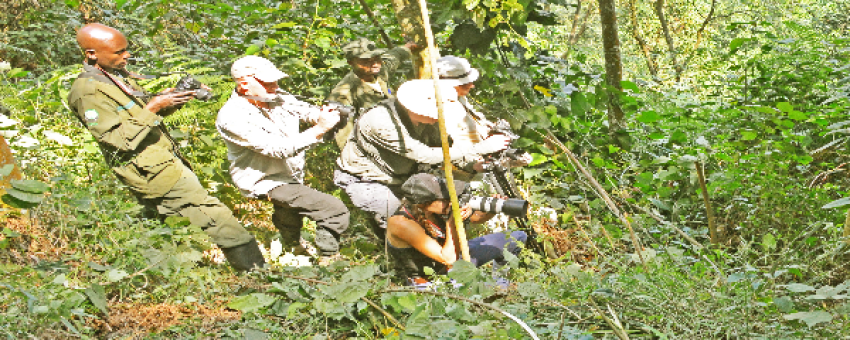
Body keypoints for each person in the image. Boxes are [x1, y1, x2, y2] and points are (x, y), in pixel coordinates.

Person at [66, 23, 263, 271]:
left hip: (160, 163)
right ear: (91, 53)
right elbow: (118, 140)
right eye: (118, 52)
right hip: (151, 173)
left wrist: (174, 99)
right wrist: (155, 106)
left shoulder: (111, 77)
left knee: (165, 225)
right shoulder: (87, 91)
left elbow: (138, 117)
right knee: (215, 215)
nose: (126, 56)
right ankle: (258, 273)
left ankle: (174, 276)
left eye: (126, 50)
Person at [334, 79, 513, 239]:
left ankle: (444, 252)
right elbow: (424, 154)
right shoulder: (380, 121)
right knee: (401, 223)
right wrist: (480, 148)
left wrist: (474, 165)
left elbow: (443, 149)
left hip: (405, 175)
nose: (438, 118)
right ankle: (400, 265)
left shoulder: (428, 121)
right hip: (368, 180)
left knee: (446, 209)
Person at [216, 56, 350, 265]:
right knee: (333, 209)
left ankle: (292, 247)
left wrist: (323, 114)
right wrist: (321, 128)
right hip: (264, 179)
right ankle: (329, 260)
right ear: (244, 85)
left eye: (275, 81)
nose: (275, 86)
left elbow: (302, 110)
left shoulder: (276, 96)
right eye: (267, 82)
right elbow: (278, 149)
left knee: (288, 209)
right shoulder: (232, 116)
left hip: (290, 172)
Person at [387, 173, 527, 286]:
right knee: (487, 290)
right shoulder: (401, 223)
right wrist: (452, 220)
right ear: (425, 204)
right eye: (446, 198)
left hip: (456, 258)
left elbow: (477, 219)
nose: (451, 199)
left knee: (517, 237)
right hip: (431, 280)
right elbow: (448, 259)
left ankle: (500, 279)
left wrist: (492, 208)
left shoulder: (436, 208)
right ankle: (495, 289)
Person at [436, 56, 532, 179]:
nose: (471, 86)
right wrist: (482, 149)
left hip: (480, 169)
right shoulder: (434, 110)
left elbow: (471, 130)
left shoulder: (459, 99)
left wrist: (492, 130)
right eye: (465, 83)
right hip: (457, 179)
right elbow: (439, 155)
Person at [327, 38, 420, 148]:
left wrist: (409, 47)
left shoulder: (380, 72)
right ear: (351, 63)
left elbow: (394, 56)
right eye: (366, 61)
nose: (375, 64)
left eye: (377, 58)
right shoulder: (343, 94)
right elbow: (344, 136)